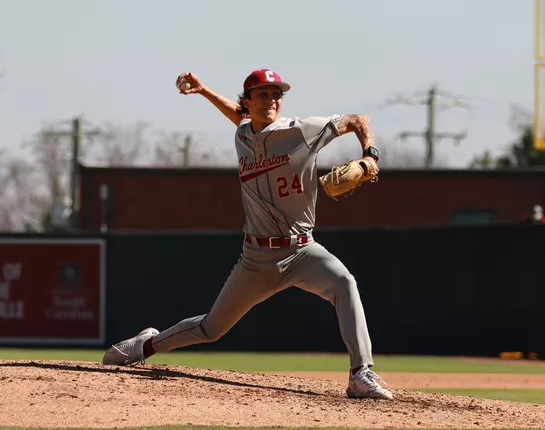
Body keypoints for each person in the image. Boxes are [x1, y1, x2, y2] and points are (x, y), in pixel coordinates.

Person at [101, 68, 392, 400]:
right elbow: (238, 117)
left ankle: (360, 373)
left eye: (276, 94)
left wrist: (370, 155)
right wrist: (204, 91)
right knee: (211, 329)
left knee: (345, 283)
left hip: (302, 250)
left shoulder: (301, 131)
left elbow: (358, 119)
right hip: (257, 259)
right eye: (263, 94)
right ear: (249, 101)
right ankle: (145, 345)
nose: (272, 100)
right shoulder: (243, 134)